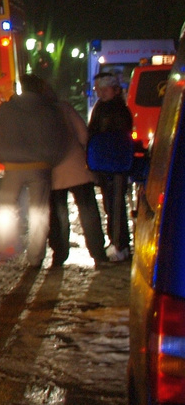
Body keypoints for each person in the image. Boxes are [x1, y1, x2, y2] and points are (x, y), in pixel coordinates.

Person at [0, 74, 72, 266]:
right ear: (40, 88)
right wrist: (53, 159)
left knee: (6, 207)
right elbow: (60, 136)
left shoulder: (6, 109)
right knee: (39, 211)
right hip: (40, 166)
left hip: (13, 165)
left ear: (21, 87)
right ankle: (35, 257)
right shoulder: (48, 110)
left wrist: (2, 157)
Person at [46, 82, 109, 267]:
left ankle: (59, 254)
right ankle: (98, 252)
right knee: (88, 210)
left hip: (52, 169)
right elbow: (83, 133)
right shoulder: (65, 108)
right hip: (76, 166)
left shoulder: (39, 113)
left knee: (58, 213)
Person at [89, 72, 135, 261]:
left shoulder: (115, 108)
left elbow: (104, 133)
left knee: (115, 204)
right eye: (98, 89)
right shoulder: (106, 106)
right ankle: (117, 242)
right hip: (109, 162)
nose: (100, 93)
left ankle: (120, 244)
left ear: (114, 89)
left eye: (103, 89)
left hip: (113, 162)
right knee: (111, 204)